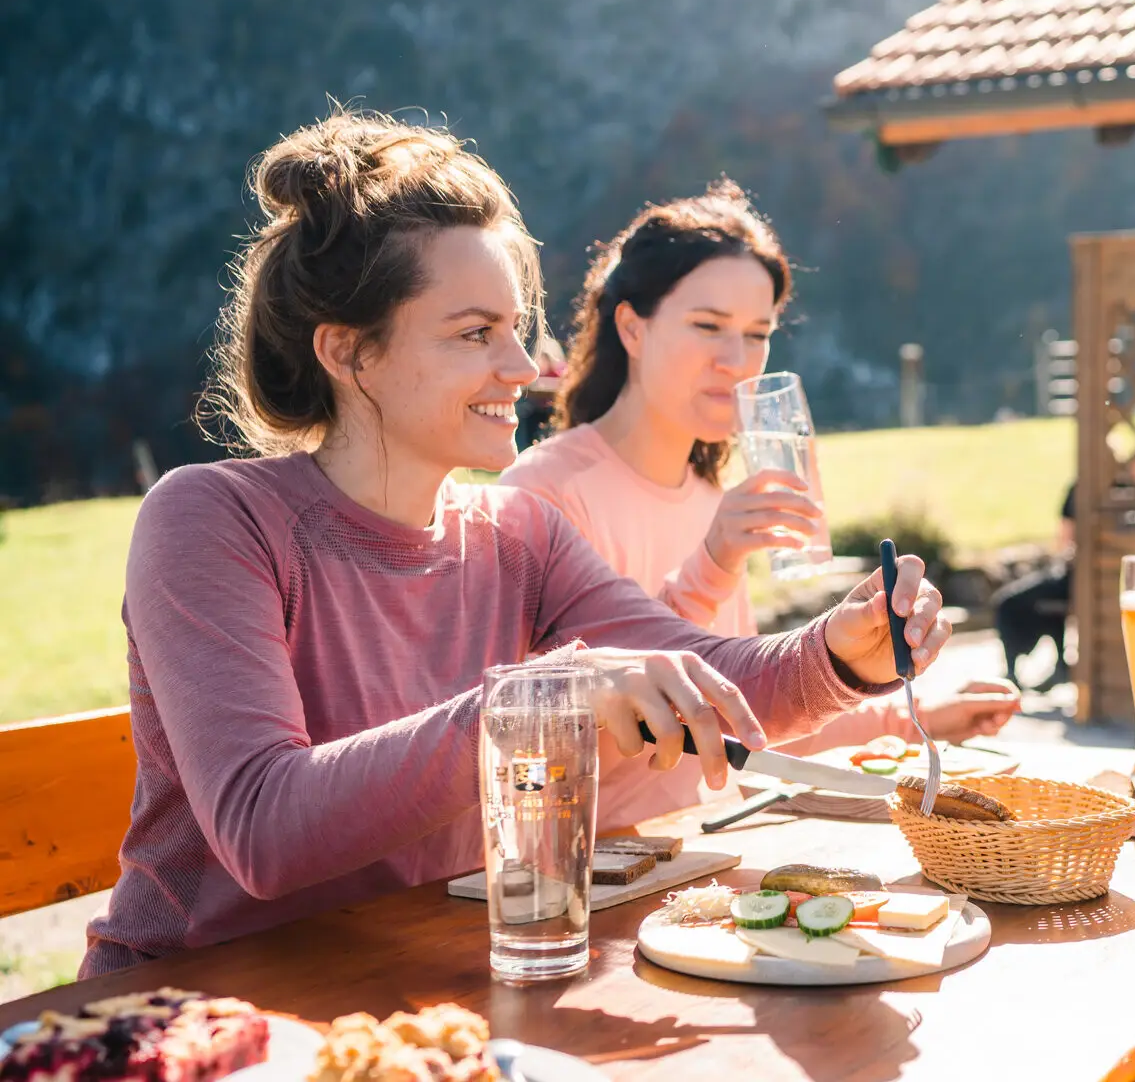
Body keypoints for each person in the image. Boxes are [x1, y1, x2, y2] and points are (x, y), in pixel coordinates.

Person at [82, 112, 949, 976]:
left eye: (515, 326)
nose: (526, 366)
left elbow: (698, 670)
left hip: (417, 991)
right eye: (473, 334)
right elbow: (263, 829)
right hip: (193, 1006)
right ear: (350, 353)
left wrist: (840, 653)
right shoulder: (210, 519)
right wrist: (543, 698)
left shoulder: (519, 533)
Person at [497, 182, 1018, 822]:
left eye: (757, 333)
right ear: (632, 328)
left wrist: (910, 717)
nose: (736, 361)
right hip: (604, 870)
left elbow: (743, 712)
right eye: (708, 327)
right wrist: (710, 566)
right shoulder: (542, 497)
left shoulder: (709, 496)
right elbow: (531, 742)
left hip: (710, 850)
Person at [990, 481, 1075, 691]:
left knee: (1005, 602)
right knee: (1045, 605)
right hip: (1077, 579)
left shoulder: (1081, 491)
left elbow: (1065, 540)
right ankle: (1061, 667)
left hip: (1071, 576)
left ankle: (1012, 673)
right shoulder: (1121, 488)